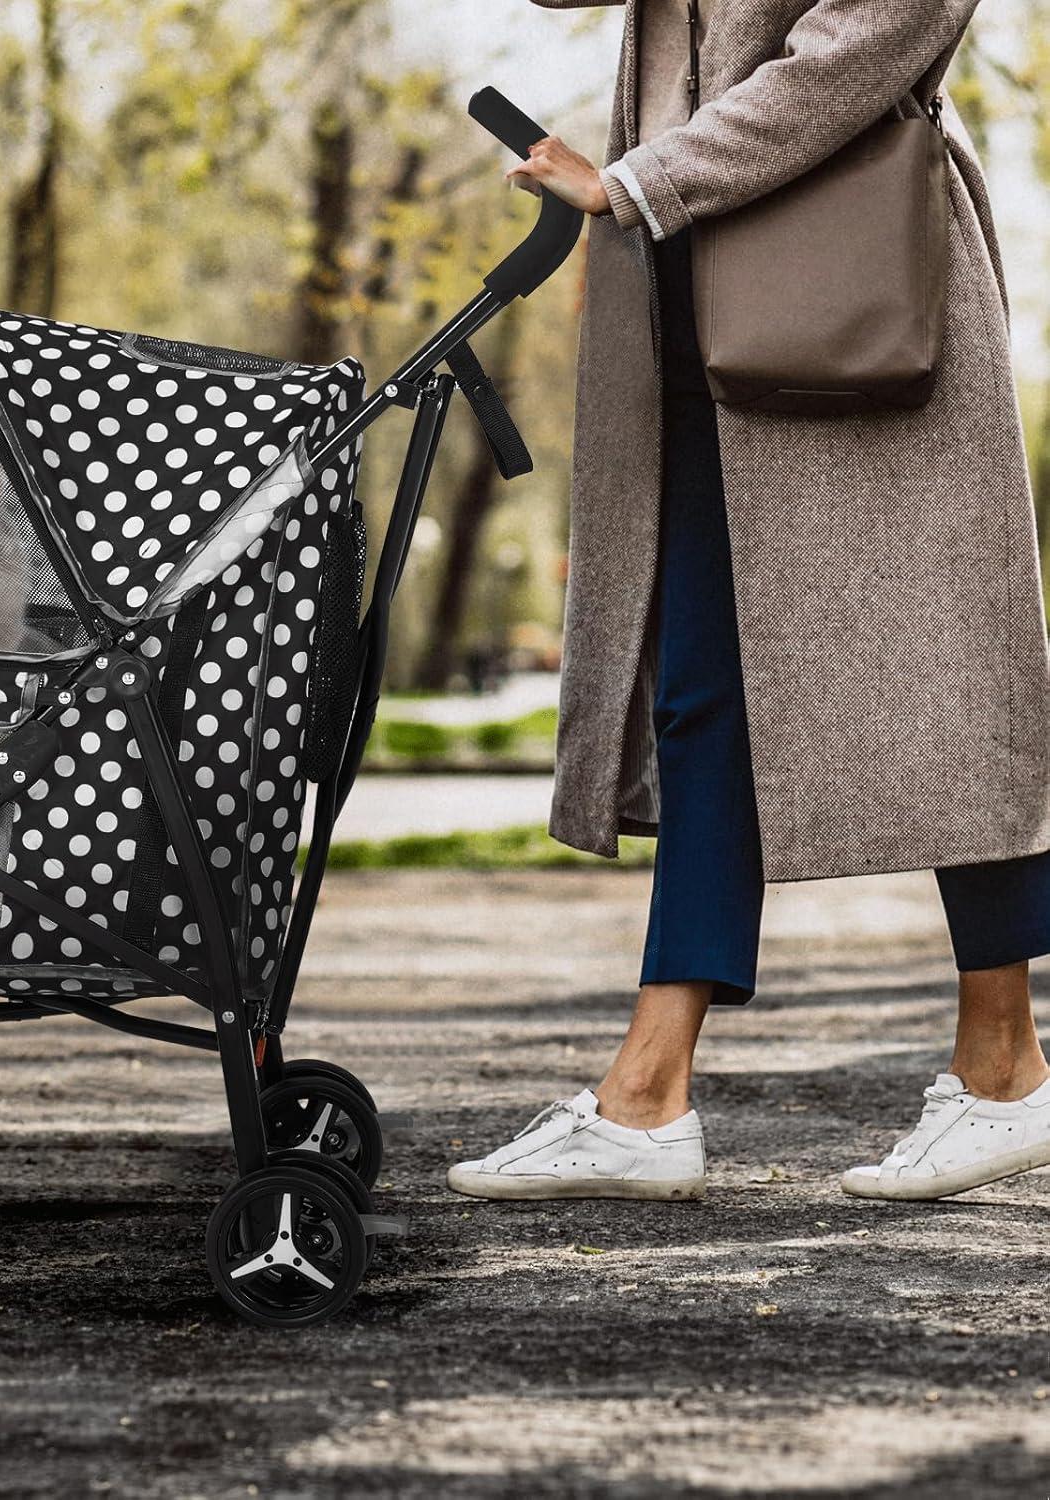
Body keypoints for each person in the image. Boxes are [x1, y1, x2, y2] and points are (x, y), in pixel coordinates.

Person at [450, 0, 1050, 1204]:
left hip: (854, 289)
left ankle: (1004, 1066)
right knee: (702, 687)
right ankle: (647, 1094)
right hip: (687, 290)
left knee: (951, 674)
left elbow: (865, 44)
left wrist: (637, 183)